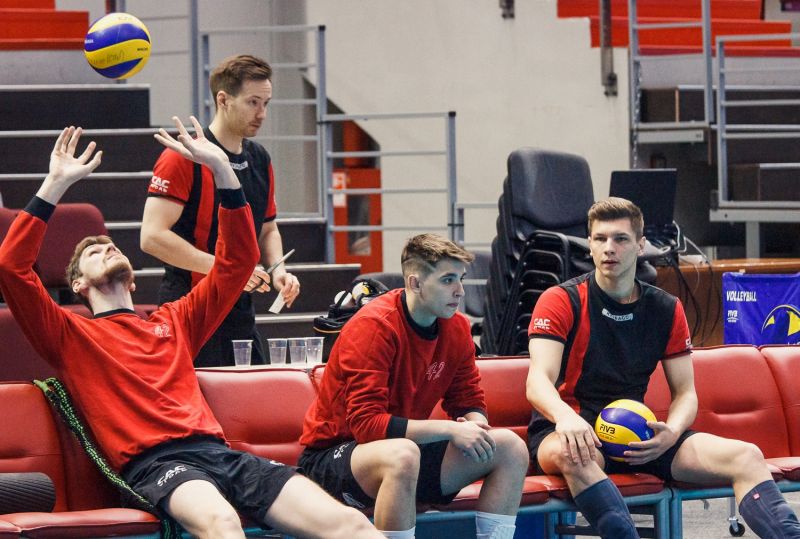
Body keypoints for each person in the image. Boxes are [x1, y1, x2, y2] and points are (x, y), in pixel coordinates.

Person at [0, 120, 380, 539]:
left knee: (351, 524)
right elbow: (11, 268)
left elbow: (237, 263)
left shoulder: (174, 320)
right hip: (158, 464)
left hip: (220, 454)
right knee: (222, 523)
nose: (107, 247)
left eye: (111, 245)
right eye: (93, 251)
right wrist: (54, 185)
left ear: (133, 281)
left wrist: (223, 171)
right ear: (77, 284)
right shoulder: (68, 334)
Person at [525, 197, 800, 538]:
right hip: (568, 429)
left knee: (746, 455)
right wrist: (566, 418)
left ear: (640, 246)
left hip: (638, 436)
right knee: (576, 456)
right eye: (600, 239)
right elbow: (538, 381)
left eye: (621, 239)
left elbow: (685, 393)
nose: (609, 248)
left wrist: (671, 430)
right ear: (590, 245)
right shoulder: (560, 299)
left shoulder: (666, 308)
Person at [300, 234, 529, 539]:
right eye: (447, 280)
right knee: (403, 455)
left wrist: (476, 427)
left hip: (408, 454)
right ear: (415, 283)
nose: (460, 291)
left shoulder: (457, 327)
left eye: (460, 279)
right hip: (333, 460)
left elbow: (468, 399)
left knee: (510, 447)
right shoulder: (373, 327)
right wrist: (450, 430)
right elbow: (367, 425)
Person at [141, 54, 299, 367]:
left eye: (266, 103)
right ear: (223, 100)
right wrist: (227, 270)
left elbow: (268, 228)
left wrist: (278, 270)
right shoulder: (183, 156)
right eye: (253, 102)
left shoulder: (260, 158)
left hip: (240, 311)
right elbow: (151, 237)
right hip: (190, 306)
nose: (262, 114)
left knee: (252, 396)